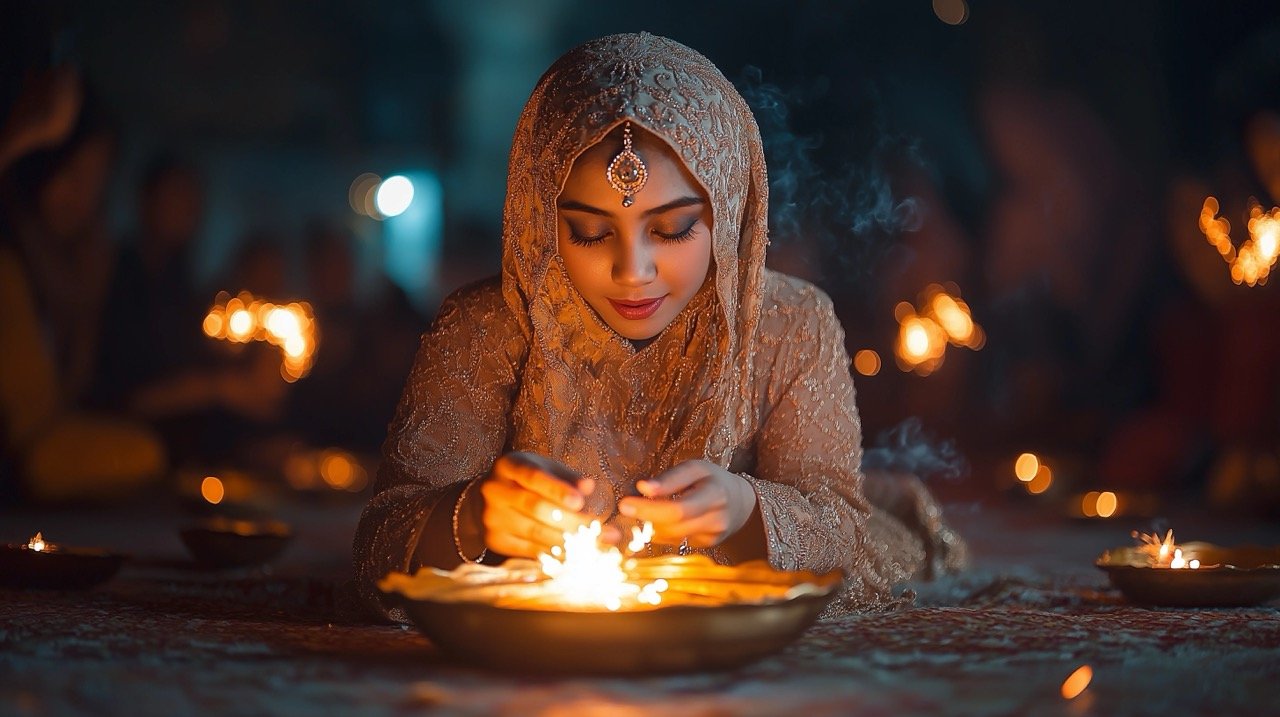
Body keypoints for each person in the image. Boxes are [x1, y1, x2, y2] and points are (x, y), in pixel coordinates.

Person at [353, 33, 964, 619]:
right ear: (541, 220)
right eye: (589, 233)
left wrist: (748, 509)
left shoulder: (788, 327)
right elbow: (378, 547)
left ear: (725, 213)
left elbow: (845, 538)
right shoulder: (486, 327)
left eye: (671, 229)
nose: (632, 272)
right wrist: (472, 515)